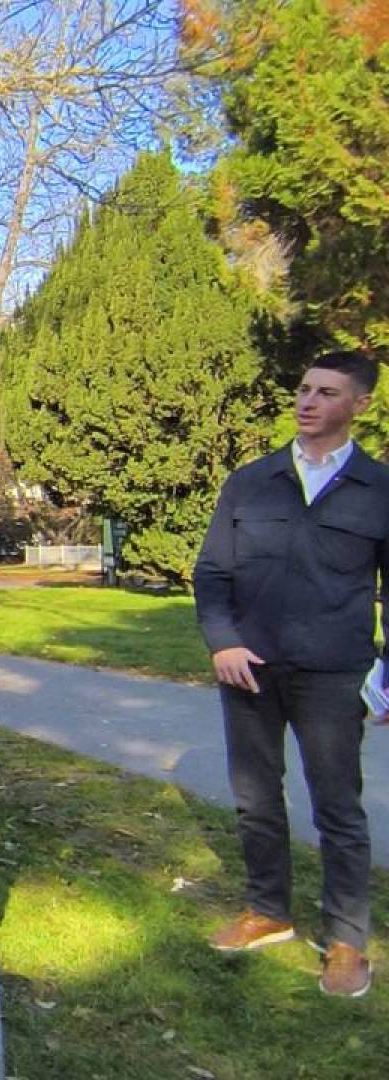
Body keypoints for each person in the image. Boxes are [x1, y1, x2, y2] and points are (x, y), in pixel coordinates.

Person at [192, 348, 387, 998]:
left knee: (338, 807)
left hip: (334, 674)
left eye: (326, 392)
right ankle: (268, 910)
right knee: (255, 799)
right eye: (303, 389)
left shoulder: (379, 490)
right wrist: (223, 641)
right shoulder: (251, 481)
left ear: (358, 403)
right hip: (250, 669)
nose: (307, 401)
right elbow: (212, 574)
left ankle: (345, 940)